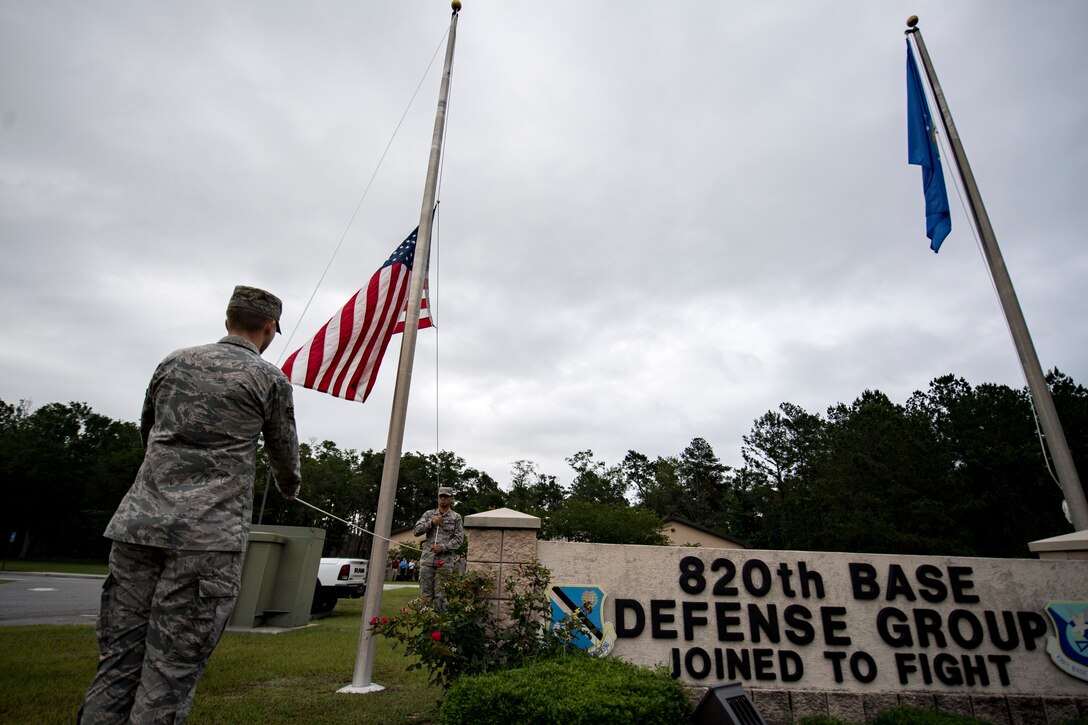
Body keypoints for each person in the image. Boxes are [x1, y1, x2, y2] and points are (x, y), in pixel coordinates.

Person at [79, 285, 302, 724]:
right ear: (270, 328)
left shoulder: (174, 361)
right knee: (171, 669)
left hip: (138, 527)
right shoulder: (269, 379)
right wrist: (289, 487)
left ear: (227, 319)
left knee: (117, 660)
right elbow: (285, 453)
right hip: (207, 540)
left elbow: (148, 430)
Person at [413, 486, 464, 609]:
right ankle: (427, 625)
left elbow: (459, 539)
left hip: (444, 563)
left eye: (446, 497)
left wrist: (444, 547)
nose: (443, 499)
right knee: (425, 596)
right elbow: (416, 531)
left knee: (441, 596)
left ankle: (440, 626)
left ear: (451, 498)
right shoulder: (429, 514)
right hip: (427, 561)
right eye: (441, 496)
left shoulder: (456, 517)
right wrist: (431, 523)